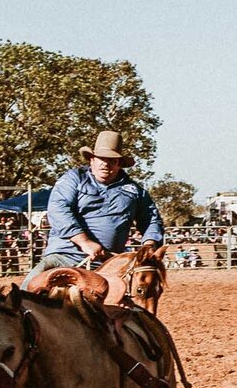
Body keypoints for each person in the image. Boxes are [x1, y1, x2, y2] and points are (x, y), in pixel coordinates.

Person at [28, 129, 164, 305]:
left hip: (112, 263)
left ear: (119, 164)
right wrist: (85, 242)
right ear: (91, 159)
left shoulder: (134, 191)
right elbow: (58, 209)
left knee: (137, 304)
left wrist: (149, 245)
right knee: (26, 294)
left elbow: (152, 219)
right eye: (101, 159)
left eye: (111, 160)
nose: (105, 164)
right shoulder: (73, 179)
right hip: (64, 256)